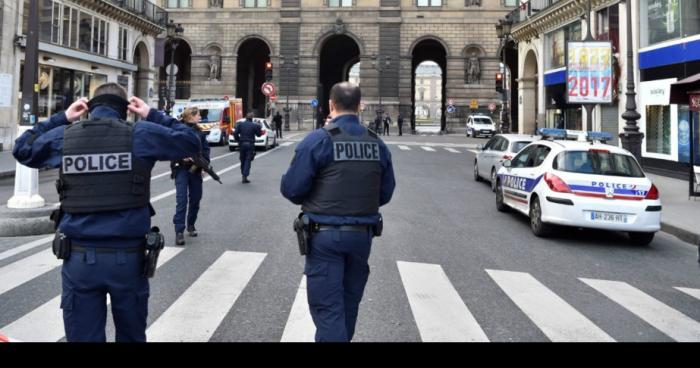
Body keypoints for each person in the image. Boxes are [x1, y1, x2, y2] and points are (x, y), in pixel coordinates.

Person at [12, 83, 201, 342]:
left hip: (79, 260)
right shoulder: (140, 134)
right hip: (129, 261)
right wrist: (152, 114)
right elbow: (192, 141)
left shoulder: (66, 136)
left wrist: (62, 117)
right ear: (126, 109)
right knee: (131, 336)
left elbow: (22, 148)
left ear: (89, 108)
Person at [281, 82, 396, 342]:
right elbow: (386, 193)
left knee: (328, 310)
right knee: (348, 306)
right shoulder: (377, 143)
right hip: (362, 236)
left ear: (331, 105)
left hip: (325, 238)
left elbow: (292, 189)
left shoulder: (319, 140)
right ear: (359, 106)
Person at [171, 107, 210, 246]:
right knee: (181, 200)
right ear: (191, 116)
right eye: (198, 114)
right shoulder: (178, 129)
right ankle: (179, 231)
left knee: (196, 199)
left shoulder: (199, 132)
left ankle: (191, 224)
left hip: (196, 170)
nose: (200, 117)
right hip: (181, 169)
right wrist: (183, 158)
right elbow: (171, 148)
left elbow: (205, 150)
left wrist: (205, 165)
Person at [233, 112, 262, 183]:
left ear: (246, 117)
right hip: (250, 144)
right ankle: (245, 175)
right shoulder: (254, 125)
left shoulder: (241, 124)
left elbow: (235, 133)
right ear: (252, 118)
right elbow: (259, 135)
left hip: (242, 144)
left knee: (242, 159)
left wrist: (238, 140)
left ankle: (243, 173)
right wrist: (259, 127)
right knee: (248, 160)